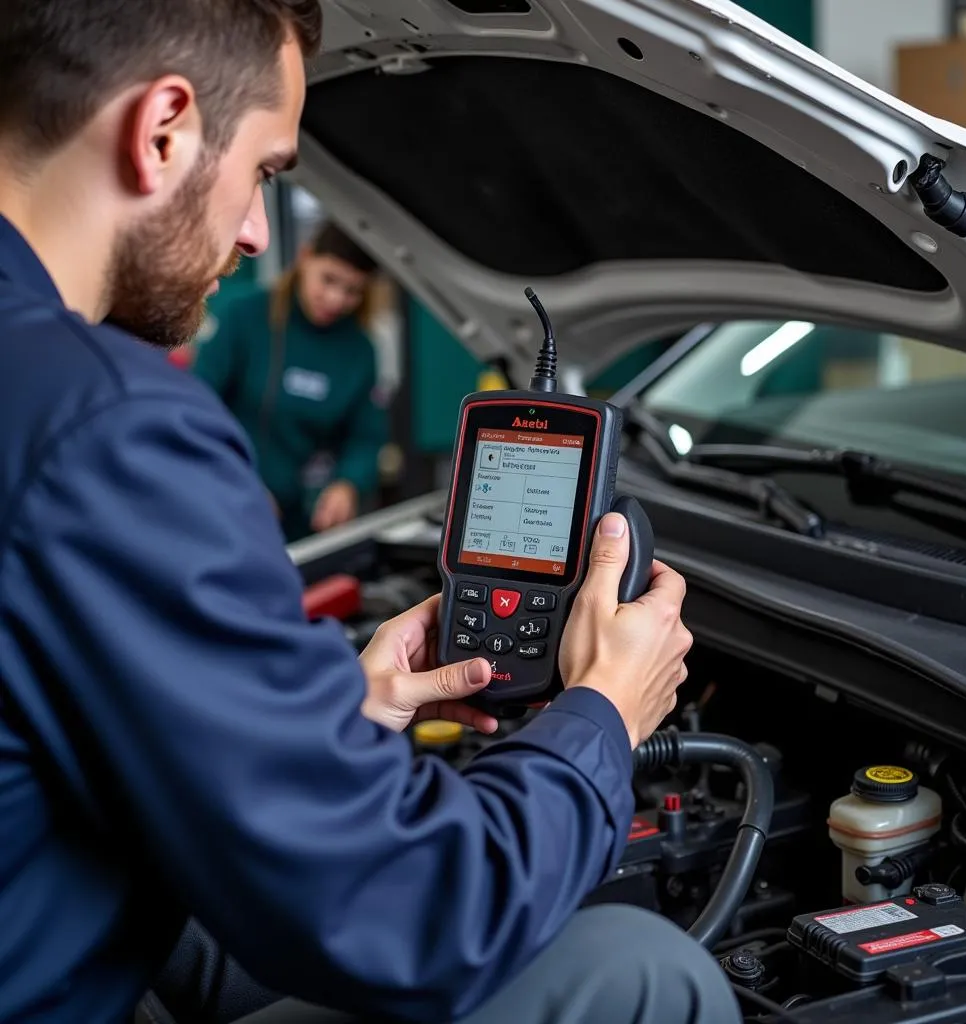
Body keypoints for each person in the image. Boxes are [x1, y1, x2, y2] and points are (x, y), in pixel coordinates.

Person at [0, 5, 740, 1024]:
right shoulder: (101, 424)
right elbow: (432, 917)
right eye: (264, 170)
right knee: (642, 972)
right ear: (163, 126)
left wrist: (333, 725)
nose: (260, 231)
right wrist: (605, 712)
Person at [192, 222, 389, 541]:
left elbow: (366, 436)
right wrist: (241, 479)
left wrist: (348, 484)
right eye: (328, 280)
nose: (335, 299)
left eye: (352, 291)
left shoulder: (360, 350)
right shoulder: (243, 316)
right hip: (224, 499)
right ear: (305, 257)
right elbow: (199, 404)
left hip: (303, 522)